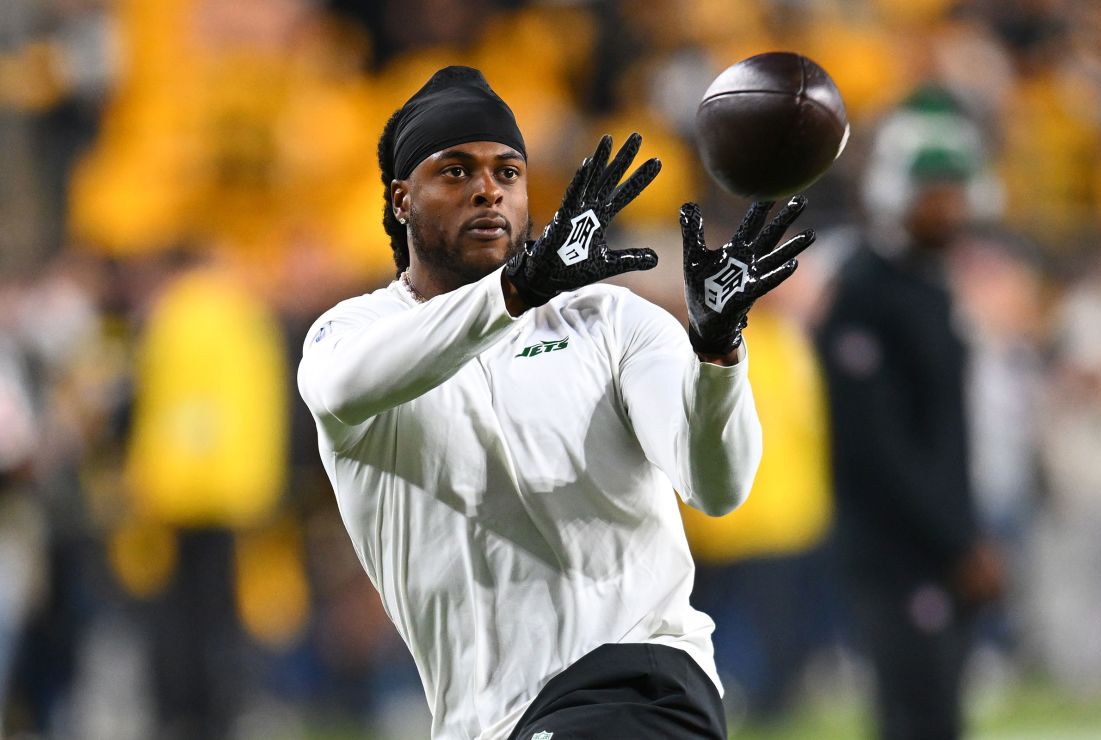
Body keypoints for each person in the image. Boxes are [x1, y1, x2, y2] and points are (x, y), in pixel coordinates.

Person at [297, 66, 815, 739]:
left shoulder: (608, 322)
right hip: (487, 719)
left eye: (507, 172)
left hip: (637, 679)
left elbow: (717, 486)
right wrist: (516, 290)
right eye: (455, 171)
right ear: (401, 200)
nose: (488, 189)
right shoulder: (354, 333)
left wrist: (718, 352)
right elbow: (347, 384)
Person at [815, 89, 1006, 740]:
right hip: (900, 552)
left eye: (956, 190)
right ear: (897, 191)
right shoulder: (865, 292)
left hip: (939, 543)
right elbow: (877, 446)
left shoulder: (927, 284)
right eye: (935, 191)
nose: (950, 206)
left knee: (941, 718)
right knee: (917, 717)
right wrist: (957, 542)